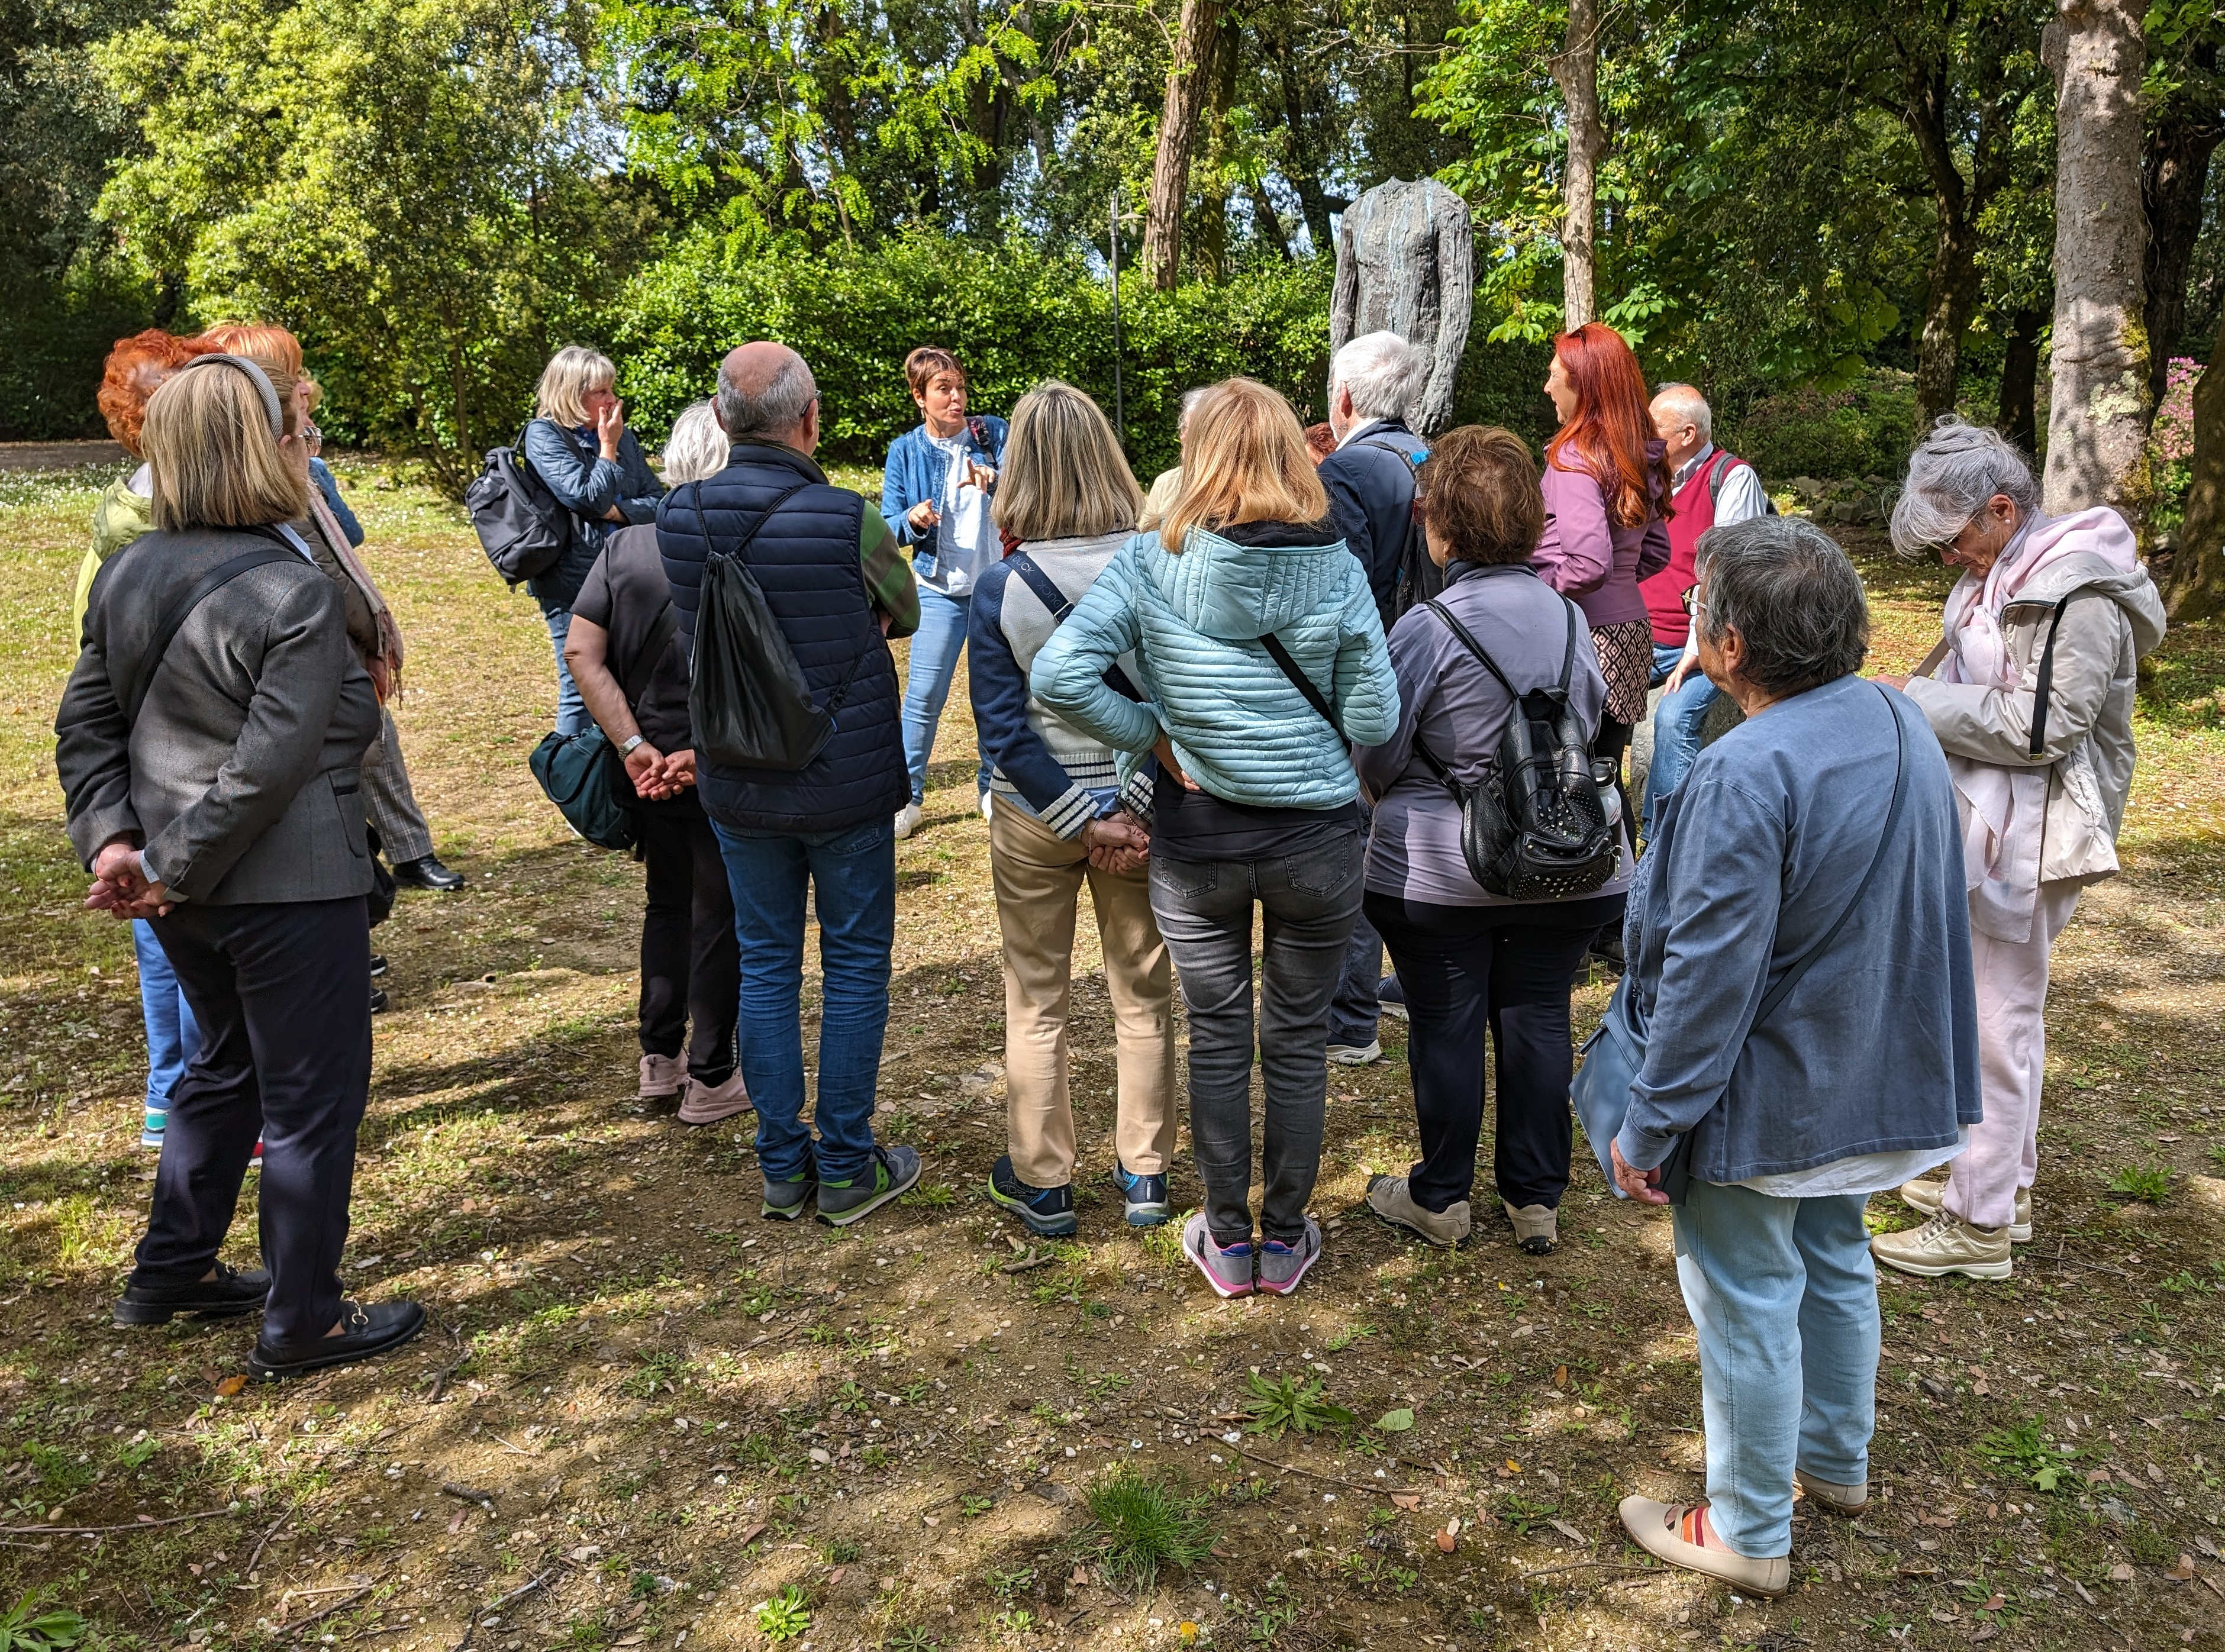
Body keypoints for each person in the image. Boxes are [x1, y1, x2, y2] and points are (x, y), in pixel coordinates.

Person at [1607, 517, 1978, 1596]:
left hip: (1770, 1093)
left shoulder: (1746, 767)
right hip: (1870, 1073)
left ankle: (1749, 1528)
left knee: (1749, 1294)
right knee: (1834, 1257)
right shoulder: (1898, 721)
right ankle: (1835, 1461)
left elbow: (1706, 976)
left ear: (1727, 643)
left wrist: (1649, 1123)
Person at [57, 352, 424, 1377]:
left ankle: (170, 1268)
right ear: (263, 448)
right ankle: (302, 1317)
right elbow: (271, 765)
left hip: (188, 895)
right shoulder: (291, 589)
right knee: (312, 1101)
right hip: (285, 886)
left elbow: (84, 726)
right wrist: (152, 861)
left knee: (224, 1068)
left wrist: (120, 843)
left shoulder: (130, 570)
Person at [1031, 377, 1399, 1299]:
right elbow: (1376, 713)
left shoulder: (1155, 561)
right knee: (1300, 1039)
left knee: (1221, 1035)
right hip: (1316, 837)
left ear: (1199, 458)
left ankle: (1228, 1242)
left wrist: (1154, 729)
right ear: (1291, 453)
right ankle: (1286, 1237)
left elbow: (1059, 674)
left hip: (1199, 842)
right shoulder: (1338, 565)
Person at [1870, 419, 2165, 1280]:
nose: (1949, 557)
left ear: (2003, 510)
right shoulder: (2006, 566)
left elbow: (2046, 728)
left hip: (2039, 830)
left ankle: (1979, 1222)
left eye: (1956, 538)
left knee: (1997, 1020)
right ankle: (2001, 1182)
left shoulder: (2080, 590)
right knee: (1993, 1009)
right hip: (1994, 816)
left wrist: (1916, 704)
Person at [659, 342, 926, 1227]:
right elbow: (907, 610)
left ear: (723, 420)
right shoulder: (846, 517)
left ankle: (783, 1164)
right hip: (842, 774)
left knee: (767, 967)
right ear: (809, 419)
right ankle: (847, 1163)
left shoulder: (677, 519)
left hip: (739, 775)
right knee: (853, 966)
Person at [1354, 426, 1630, 1255]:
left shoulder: (1425, 629)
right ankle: (1534, 1196)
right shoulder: (1574, 622)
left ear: (1437, 523)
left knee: (1446, 1021)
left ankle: (1441, 1195)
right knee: (1539, 1013)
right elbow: (1592, 726)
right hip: (1568, 860)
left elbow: (1378, 751)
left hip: (1441, 866)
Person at [966, 381, 1176, 1236]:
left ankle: (1044, 1180)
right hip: (1142, 810)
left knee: (1036, 997)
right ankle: (1148, 1175)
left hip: (1033, 812)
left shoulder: (1003, 586)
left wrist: (1077, 817)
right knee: (1143, 993)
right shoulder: (1160, 566)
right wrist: (1123, 808)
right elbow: (1174, 701)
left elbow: (1003, 731)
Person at [199, 322, 463, 896]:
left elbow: (348, 534)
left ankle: (409, 852)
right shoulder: (253, 480)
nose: (301, 384)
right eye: (287, 373)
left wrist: (313, 468)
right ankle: (365, 883)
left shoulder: (302, 459)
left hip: (332, 626)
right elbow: (318, 560)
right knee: (338, 752)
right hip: (303, 632)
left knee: (374, 739)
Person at [565, 402, 747, 1127]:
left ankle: (658, 1059)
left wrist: (633, 744)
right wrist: (692, 753)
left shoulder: (627, 546)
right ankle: (710, 1075)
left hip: (647, 764)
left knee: (668, 906)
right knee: (717, 915)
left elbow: (582, 651)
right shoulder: (739, 542)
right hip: (720, 760)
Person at [82, 329, 215, 1151]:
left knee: (160, 929)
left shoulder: (124, 511)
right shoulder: (157, 521)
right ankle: (201, 1097)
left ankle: (172, 1096)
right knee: (182, 924)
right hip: (173, 749)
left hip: (151, 749)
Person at [1317, 330, 1433, 1066]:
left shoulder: (1346, 469)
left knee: (1357, 843)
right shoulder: (1432, 456)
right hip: (1445, 665)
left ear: (1346, 398)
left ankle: (1351, 1016)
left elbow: (1346, 590)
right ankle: (1423, 988)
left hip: (1376, 676)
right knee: (1424, 830)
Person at [1531, 322, 1672, 780]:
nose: (1547, 385)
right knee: (1604, 775)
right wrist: (1619, 582)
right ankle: (1621, 853)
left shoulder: (1575, 456)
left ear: (1583, 384)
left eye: (1555, 375)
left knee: (1567, 786)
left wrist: (1531, 587)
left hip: (1584, 639)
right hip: (1630, 632)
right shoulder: (1633, 452)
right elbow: (1654, 552)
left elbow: (1589, 563)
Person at [879, 347, 1007, 838]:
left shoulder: (992, 433)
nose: (956, 398)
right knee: (924, 697)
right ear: (919, 397)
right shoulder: (904, 451)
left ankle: (992, 788)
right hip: (937, 589)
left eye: (960, 387)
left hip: (997, 587)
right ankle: (906, 798)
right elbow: (887, 526)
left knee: (993, 696)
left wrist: (998, 484)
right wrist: (911, 521)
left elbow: (1031, 493)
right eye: (943, 389)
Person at [1637, 382, 1771, 838]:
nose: (1643, 436)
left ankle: (1663, 843)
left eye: (1653, 428)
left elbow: (1730, 578)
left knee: (1673, 718)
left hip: (1706, 641)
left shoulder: (1731, 478)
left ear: (1688, 434)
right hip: (1641, 636)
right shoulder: (1648, 478)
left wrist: (1699, 647)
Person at [523, 346, 666, 739]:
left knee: (625, 681)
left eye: (611, 390)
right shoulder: (544, 435)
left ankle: (617, 772)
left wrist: (618, 513)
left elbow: (659, 502)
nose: (611, 401)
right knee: (580, 686)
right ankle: (572, 779)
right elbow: (588, 499)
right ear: (571, 392)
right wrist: (607, 449)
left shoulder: (624, 435)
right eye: (601, 392)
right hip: (574, 581)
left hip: (629, 575)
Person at [1137, 388, 1210, 531]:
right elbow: (1144, 537)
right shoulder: (1165, 483)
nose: (1184, 437)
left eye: (1197, 432)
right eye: (1184, 429)